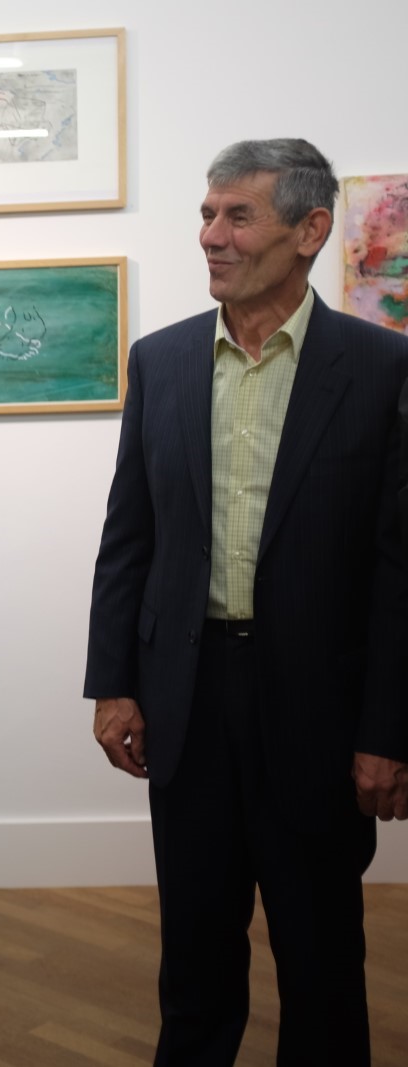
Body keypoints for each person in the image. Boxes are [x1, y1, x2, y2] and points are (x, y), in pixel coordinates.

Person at [85, 138, 408, 1064]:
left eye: (237, 216)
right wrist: (113, 682)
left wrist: (388, 729)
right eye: (206, 214)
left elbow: (398, 570)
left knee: (321, 962)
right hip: (186, 699)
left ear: (311, 230)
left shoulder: (381, 367)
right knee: (193, 960)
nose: (211, 236)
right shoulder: (162, 361)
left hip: (317, 707)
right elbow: (128, 537)